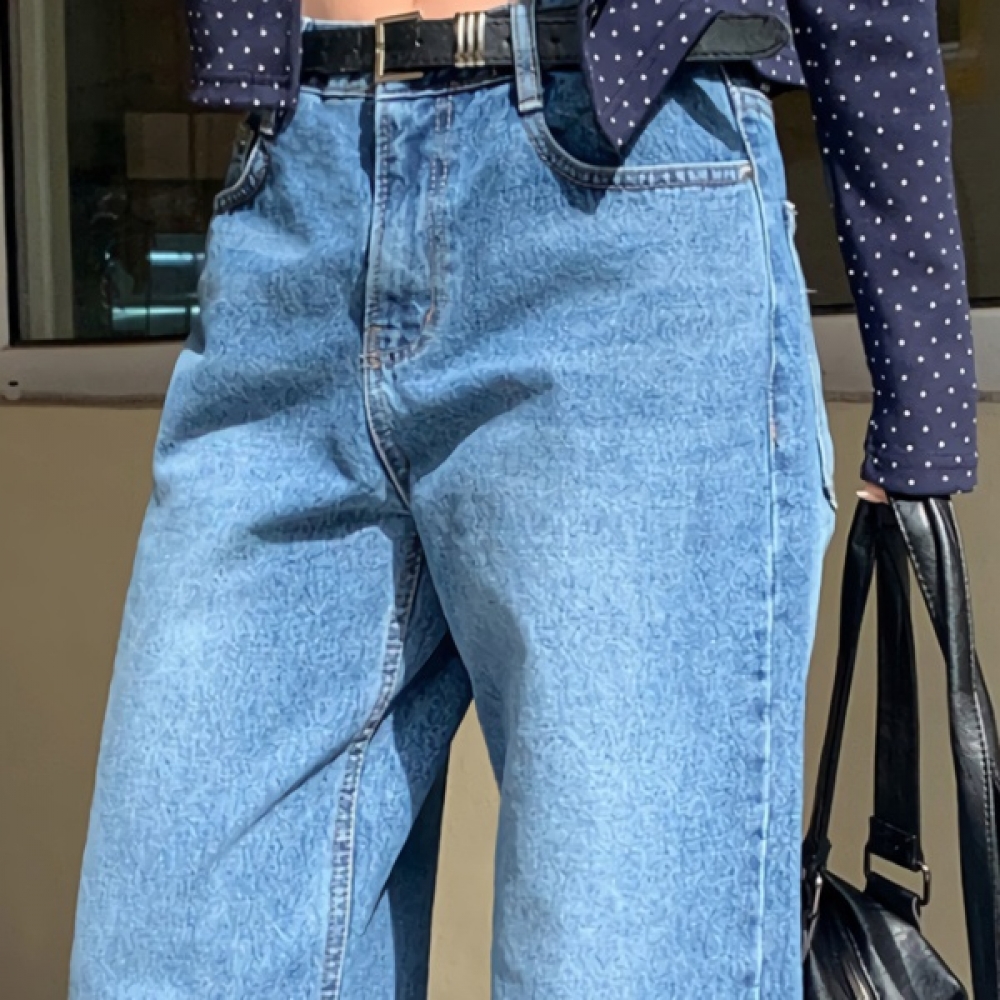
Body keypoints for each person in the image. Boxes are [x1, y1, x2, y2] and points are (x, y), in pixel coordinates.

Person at [69, 0, 977, 996]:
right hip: (296, 194)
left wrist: (922, 393)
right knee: (172, 956)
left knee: (619, 967)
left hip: (625, 206)